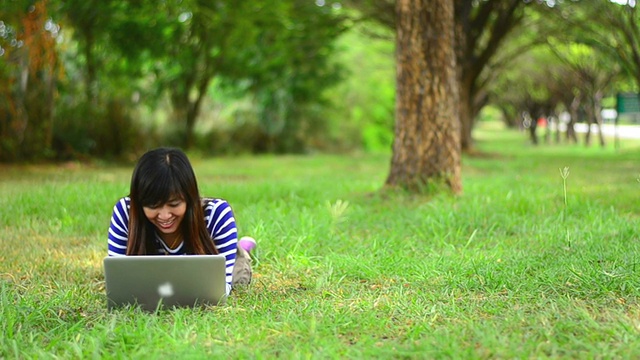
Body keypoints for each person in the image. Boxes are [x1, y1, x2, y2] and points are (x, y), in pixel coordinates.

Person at [107, 147, 254, 296]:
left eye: (174, 204)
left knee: (239, 276)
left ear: (189, 198)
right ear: (140, 202)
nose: (164, 216)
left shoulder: (217, 214)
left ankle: (243, 249)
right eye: (153, 206)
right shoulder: (126, 213)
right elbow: (118, 281)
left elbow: (221, 288)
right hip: (159, 280)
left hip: (214, 250)